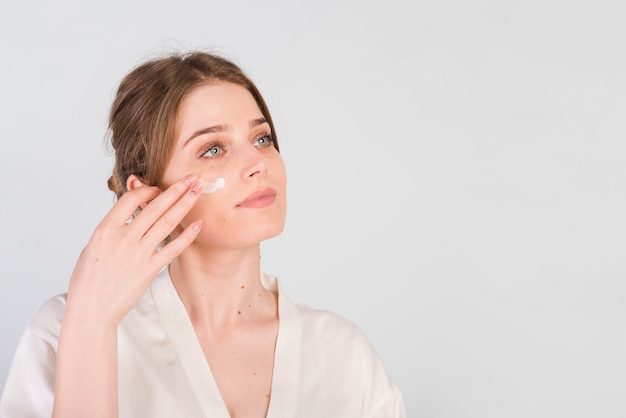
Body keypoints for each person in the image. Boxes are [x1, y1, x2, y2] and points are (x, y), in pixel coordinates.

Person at [0, 51, 405, 418]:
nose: (256, 163)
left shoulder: (343, 354)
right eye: (213, 148)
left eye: (262, 138)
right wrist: (91, 327)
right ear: (147, 193)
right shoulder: (64, 330)